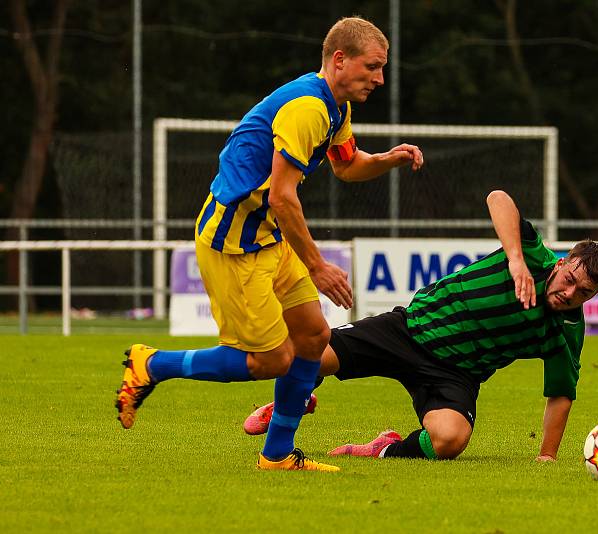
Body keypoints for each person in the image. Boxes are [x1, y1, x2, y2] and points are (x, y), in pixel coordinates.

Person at [115, 16, 424, 472]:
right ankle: (152, 364)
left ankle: (277, 455)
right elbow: (282, 196)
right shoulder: (307, 109)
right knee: (271, 360)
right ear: (339, 60)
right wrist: (318, 265)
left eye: (382, 69)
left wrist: (386, 159)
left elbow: (346, 164)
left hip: (268, 238)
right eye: (372, 67)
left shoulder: (336, 106)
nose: (379, 79)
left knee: (314, 337)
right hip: (234, 243)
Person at [243, 190, 598, 462]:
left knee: (450, 440)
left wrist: (547, 456)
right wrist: (515, 259)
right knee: (309, 356)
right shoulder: (533, 255)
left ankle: (383, 448)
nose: (569, 292)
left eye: (583, 292)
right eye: (569, 278)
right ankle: (289, 404)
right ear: (563, 261)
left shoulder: (567, 328)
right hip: (410, 330)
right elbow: (497, 198)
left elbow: (561, 394)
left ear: (594, 295)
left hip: (454, 374)